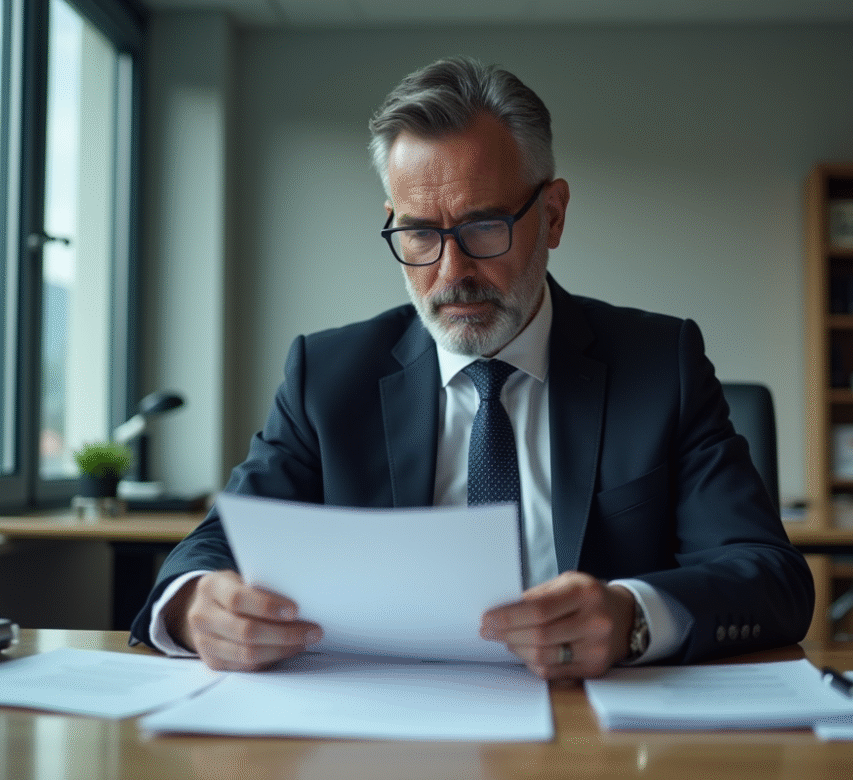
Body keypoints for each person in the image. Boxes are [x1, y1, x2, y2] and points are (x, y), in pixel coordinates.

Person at [129, 56, 814, 679]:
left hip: (594, 725)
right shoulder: (328, 376)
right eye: (419, 233)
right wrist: (196, 606)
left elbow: (769, 576)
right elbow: (215, 545)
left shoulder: (660, 365)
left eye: (484, 227)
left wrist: (632, 616)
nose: (452, 272)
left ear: (553, 215)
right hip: (384, 722)